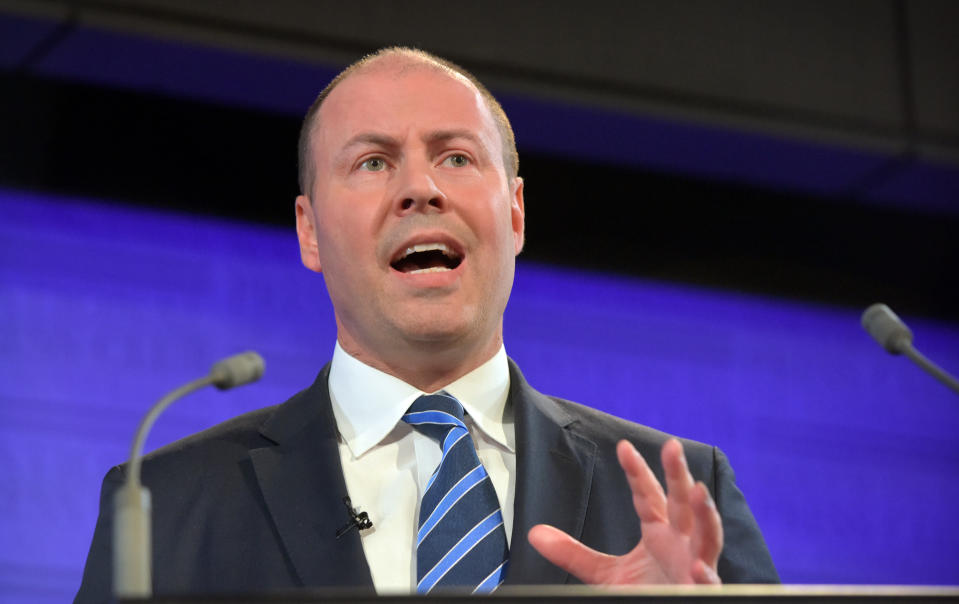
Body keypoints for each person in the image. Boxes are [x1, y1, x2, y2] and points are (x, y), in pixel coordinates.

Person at [76, 47, 777, 602]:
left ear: (515, 213)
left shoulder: (680, 493)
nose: (421, 187)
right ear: (309, 230)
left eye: (456, 157)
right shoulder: (168, 501)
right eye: (374, 161)